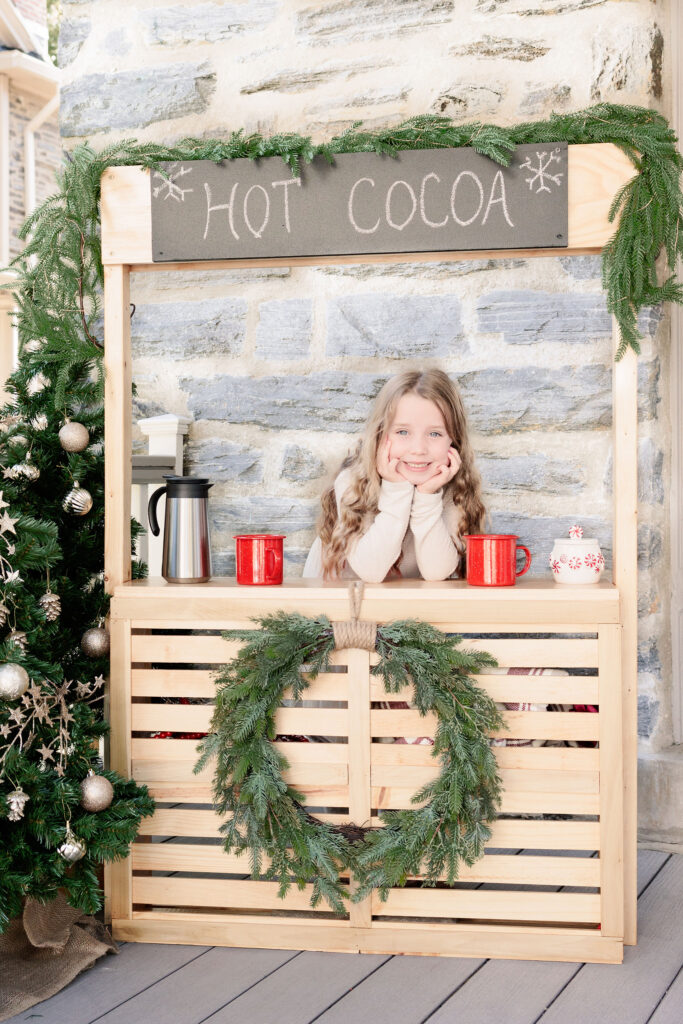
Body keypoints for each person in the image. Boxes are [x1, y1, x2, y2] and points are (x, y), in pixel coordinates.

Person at [303, 368, 485, 582]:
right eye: (402, 432)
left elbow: (437, 572)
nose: (418, 449)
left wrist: (428, 496)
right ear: (380, 436)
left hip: (398, 610)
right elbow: (371, 571)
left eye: (435, 433)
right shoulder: (353, 482)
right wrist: (396, 488)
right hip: (335, 608)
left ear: (453, 442)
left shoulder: (453, 492)